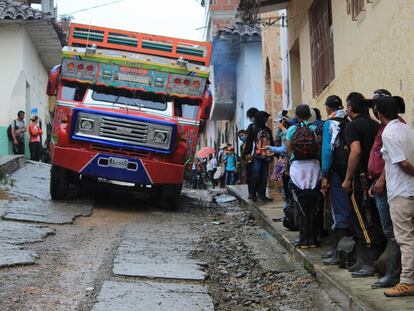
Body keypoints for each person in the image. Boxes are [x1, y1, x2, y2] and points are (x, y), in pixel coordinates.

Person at [342, 92, 386, 278]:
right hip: (376, 179)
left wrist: (347, 178)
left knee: (360, 217)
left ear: (350, 108)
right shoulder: (376, 125)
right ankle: (374, 261)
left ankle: (370, 263)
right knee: (376, 218)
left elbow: (356, 151)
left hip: (360, 179)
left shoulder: (352, 126)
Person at [374, 96, 414, 297]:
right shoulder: (407, 129)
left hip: (401, 192)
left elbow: (403, 164)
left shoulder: (388, 133)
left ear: (379, 114)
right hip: (409, 191)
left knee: (405, 239)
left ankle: (407, 281)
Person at [367, 89, 405, 289]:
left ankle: (394, 274)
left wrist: (381, 179)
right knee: (390, 230)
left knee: (394, 232)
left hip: (391, 185)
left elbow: (394, 159)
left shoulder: (392, 129)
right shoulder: (384, 128)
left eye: (376, 105)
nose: (374, 109)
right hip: (384, 184)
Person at [320, 95, 353, 265]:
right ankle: (345, 251)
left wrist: (325, 174)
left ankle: (338, 252)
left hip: (337, 173)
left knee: (338, 211)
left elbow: (327, 151)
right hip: (352, 171)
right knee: (349, 208)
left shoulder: (330, 124)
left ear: (328, 108)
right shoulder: (348, 120)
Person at [286, 104, 322, 248]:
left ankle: (303, 240)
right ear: (309, 115)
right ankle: (313, 239)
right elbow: (319, 148)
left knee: (300, 204)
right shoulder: (315, 129)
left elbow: (288, 150)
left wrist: (291, 160)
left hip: (297, 168)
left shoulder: (292, 129)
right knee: (313, 205)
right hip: (314, 166)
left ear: (296, 115)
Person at [244, 110, 274, 202]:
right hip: (256, 156)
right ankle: (253, 194)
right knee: (255, 175)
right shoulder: (253, 128)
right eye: (265, 118)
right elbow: (249, 142)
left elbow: (271, 143)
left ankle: (262, 195)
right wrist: (247, 154)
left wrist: (273, 154)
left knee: (264, 176)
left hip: (266, 156)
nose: (266, 119)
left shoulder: (268, 130)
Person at [243, 108, 259, 198]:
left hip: (254, 155)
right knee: (251, 174)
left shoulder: (255, 127)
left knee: (255, 175)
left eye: (250, 117)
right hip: (250, 155)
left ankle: (254, 193)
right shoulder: (251, 127)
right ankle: (251, 193)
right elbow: (248, 142)